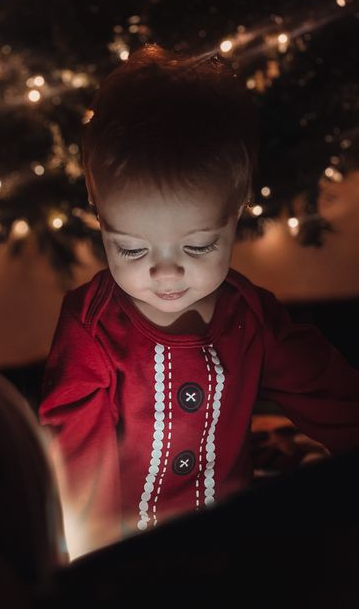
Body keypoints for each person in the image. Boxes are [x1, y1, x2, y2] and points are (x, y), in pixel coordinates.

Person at [38, 44, 359, 560]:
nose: (166, 272)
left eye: (198, 246)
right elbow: (77, 464)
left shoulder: (250, 316)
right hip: (126, 559)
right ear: (99, 215)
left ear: (237, 211)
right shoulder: (91, 328)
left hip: (227, 547)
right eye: (132, 248)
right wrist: (94, 567)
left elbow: (328, 392)